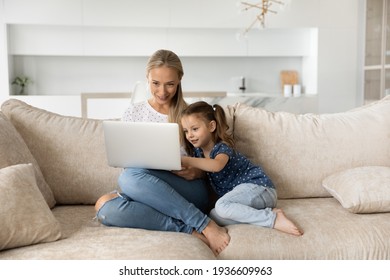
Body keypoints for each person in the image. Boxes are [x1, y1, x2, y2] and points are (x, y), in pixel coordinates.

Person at [95, 49, 230, 255]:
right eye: (155, 83)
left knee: (129, 178)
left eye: (170, 84)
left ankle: (204, 224)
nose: (162, 91)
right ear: (147, 78)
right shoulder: (133, 112)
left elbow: (211, 158)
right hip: (146, 188)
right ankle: (188, 229)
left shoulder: (190, 115)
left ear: (179, 81)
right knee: (105, 208)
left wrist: (198, 172)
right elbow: (126, 159)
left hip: (187, 189)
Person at [180, 101, 303, 236]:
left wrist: (186, 160)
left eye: (195, 129)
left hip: (260, 189)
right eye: (186, 131)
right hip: (245, 201)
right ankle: (264, 213)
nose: (189, 135)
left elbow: (216, 165)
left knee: (222, 206)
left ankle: (273, 219)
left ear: (211, 126)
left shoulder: (222, 148)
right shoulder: (198, 153)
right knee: (214, 216)